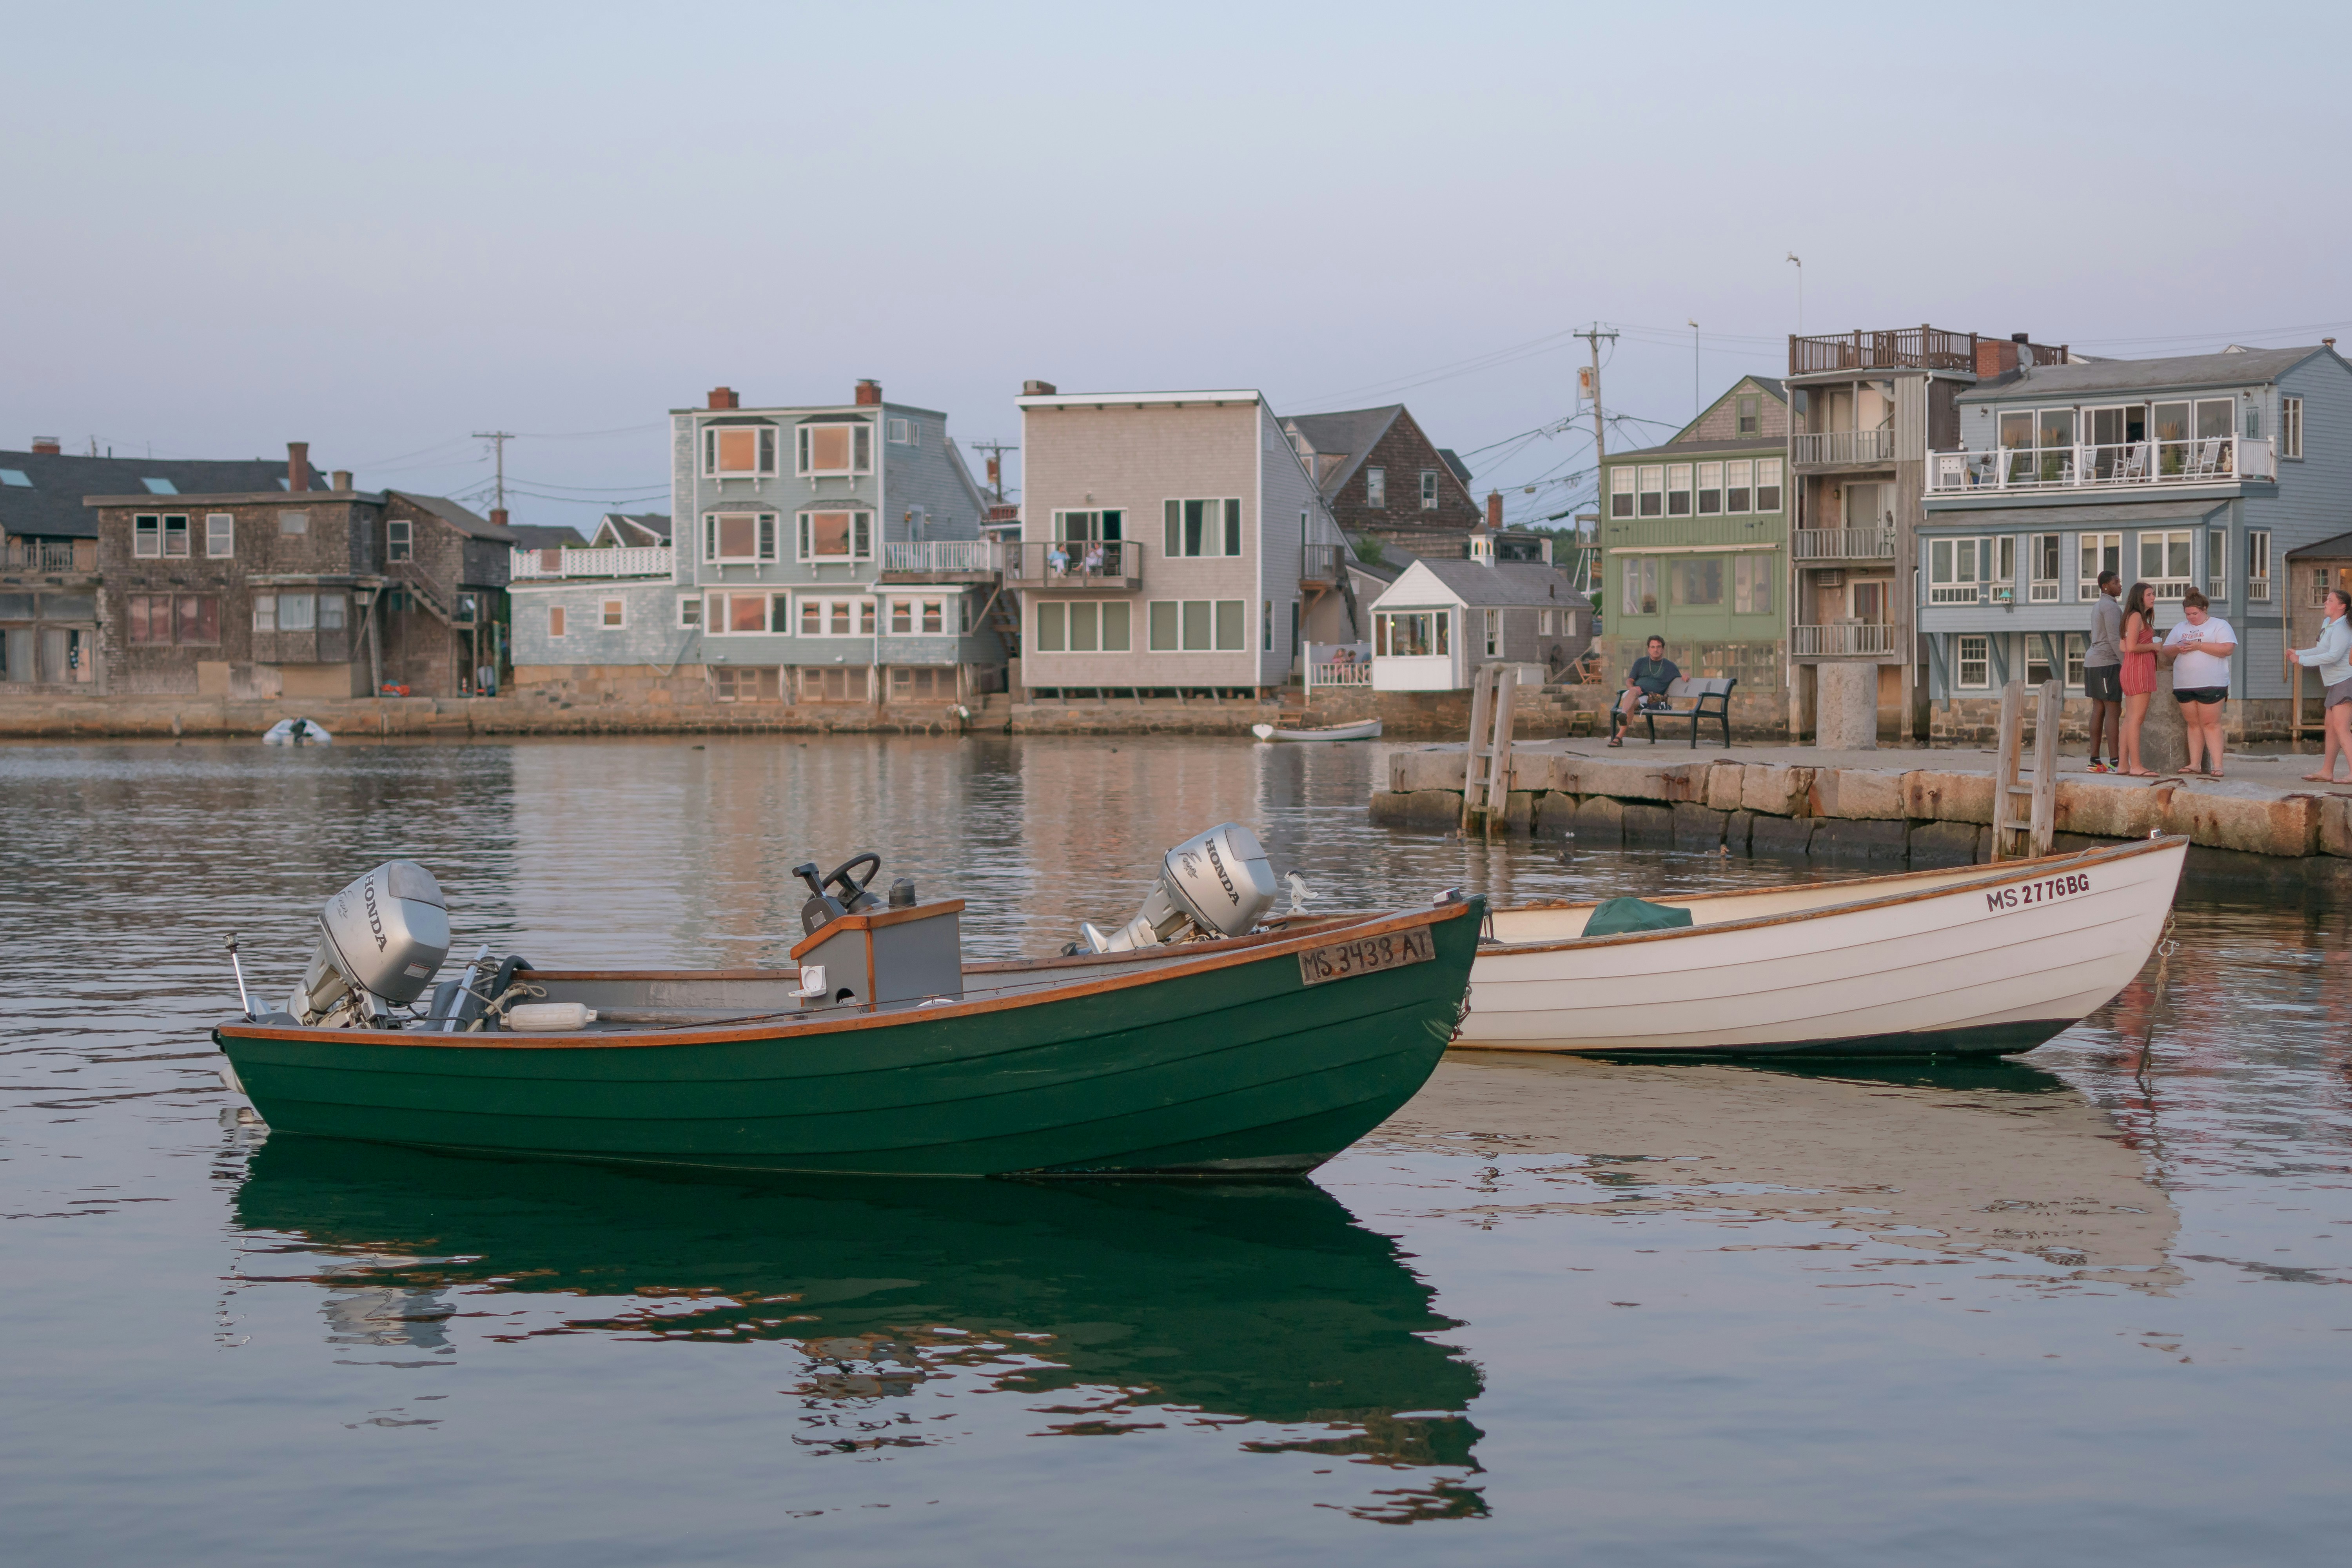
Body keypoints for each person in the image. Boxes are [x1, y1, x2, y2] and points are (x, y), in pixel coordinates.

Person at [2160, 590, 2236, 777]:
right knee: (2193, 724)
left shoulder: (2219, 625)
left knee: (2210, 723)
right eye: (2188, 614)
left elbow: (2227, 649)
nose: (2191, 618)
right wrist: (2177, 648)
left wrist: (2199, 645)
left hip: (2212, 682)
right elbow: (2166, 651)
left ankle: (2217, 765)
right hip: (2184, 683)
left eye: (2195, 614)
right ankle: (2195, 763)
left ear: (2204, 610)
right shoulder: (2180, 628)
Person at [2286, 584, 2352, 784]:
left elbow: (2333, 656)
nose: (2326, 602)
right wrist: (2299, 653)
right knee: (2330, 727)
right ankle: (2327, 771)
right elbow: (2320, 649)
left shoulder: (2343, 627)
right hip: (2334, 682)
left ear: (2342, 606)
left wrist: (2302, 661)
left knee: (2341, 728)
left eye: (2330, 600)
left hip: (2345, 680)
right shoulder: (2328, 623)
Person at [2116, 581, 2160, 777]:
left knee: (2129, 719)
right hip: (2139, 671)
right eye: (2149, 595)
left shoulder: (2131, 617)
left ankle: (2123, 765)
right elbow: (2132, 647)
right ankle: (2136, 766)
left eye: (2153, 594)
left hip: (2131, 669)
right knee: (2136, 720)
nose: (2153, 598)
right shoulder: (2136, 617)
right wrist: (2154, 647)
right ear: (2139, 597)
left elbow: (2123, 646)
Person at [2082, 570, 2123, 771]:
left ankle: (2095, 760)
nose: (2120, 585)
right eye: (2116, 582)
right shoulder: (2111, 608)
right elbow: (2115, 639)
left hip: (2092, 662)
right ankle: (2116, 761)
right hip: (2106, 663)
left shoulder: (2099, 605)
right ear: (2105, 586)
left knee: (2099, 709)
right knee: (2113, 710)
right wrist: (2126, 663)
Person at [1607, 635, 1679, 747]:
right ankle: (1623, 718)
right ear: (1648, 649)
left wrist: (1687, 676)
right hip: (1637, 696)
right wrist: (1633, 687)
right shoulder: (1641, 662)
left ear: (1663, 649)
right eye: (1653, 647)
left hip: (1653, 698)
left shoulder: (1670, 667)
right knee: (1633, 691)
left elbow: (1681, 680)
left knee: (1631, 701)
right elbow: (1629, 681)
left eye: (1659, 647)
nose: (1656, 650)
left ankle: (1619, 735)